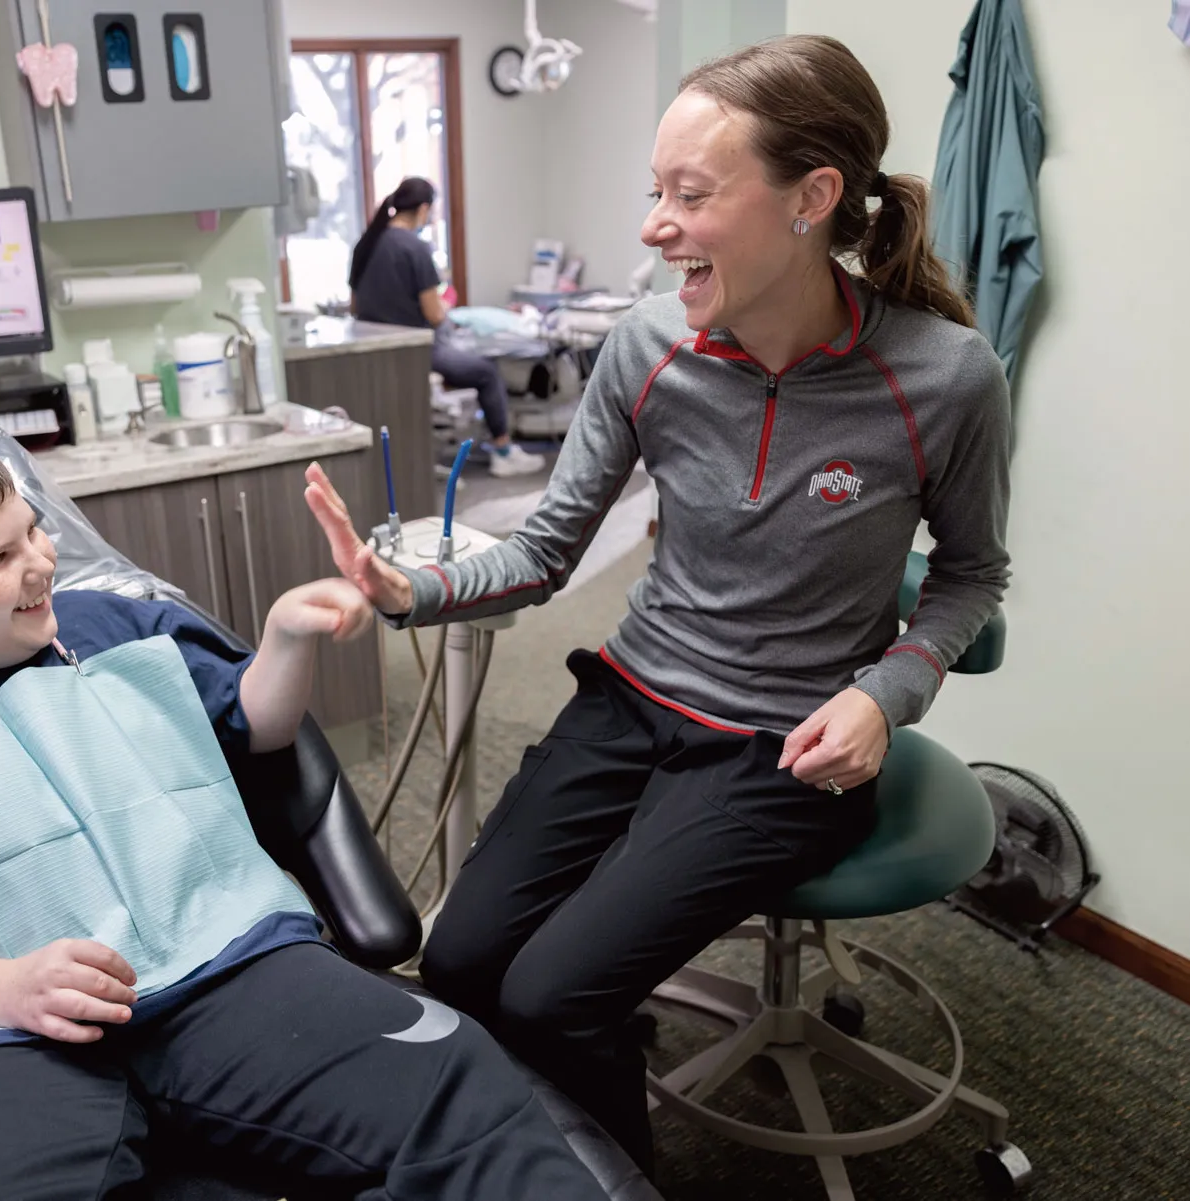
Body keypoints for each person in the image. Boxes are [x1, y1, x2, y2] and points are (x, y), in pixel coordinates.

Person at [306, 34, 1011, 1175]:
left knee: (542, 996)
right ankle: (546, 1113)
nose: (651, 225)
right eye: (655, 193)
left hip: (778, 746)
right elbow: (542, 548)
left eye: (690, 194)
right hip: (630, 701)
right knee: (461, 961)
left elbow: (972, 574)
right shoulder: (646, 347)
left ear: (810, 199)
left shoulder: (941, 376)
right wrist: (410, 588)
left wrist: (886, 694)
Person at [0, 436, 609, 1199]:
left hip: (226, 963)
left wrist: (284, 638)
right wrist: (0, 989)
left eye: (32, 531)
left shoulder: (122, 629)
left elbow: (254, 725)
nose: (41, 563)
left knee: (456, 1086)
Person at [349, 176, 547, 477]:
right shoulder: (415, 248)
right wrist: (443, 307)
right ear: (424, 209)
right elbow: (435, 315)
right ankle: (504, 452)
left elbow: (354, 307)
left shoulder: (366, 243)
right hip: (416, 351)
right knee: (487, 372)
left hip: (375, 353)